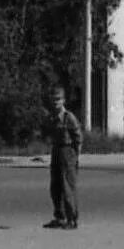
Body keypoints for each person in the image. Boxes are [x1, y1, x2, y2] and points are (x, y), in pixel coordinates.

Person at [43, 89, 82, 230]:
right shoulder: (52, 117)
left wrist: (75, 156)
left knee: (67, 187)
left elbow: (78, 137)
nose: (55, 102)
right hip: (57, 151)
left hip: (67, 151)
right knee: (55, 186)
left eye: (58, 99)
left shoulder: (68, 117)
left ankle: (72, 219)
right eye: (53, 99)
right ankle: (59, 217)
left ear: (63, 101)